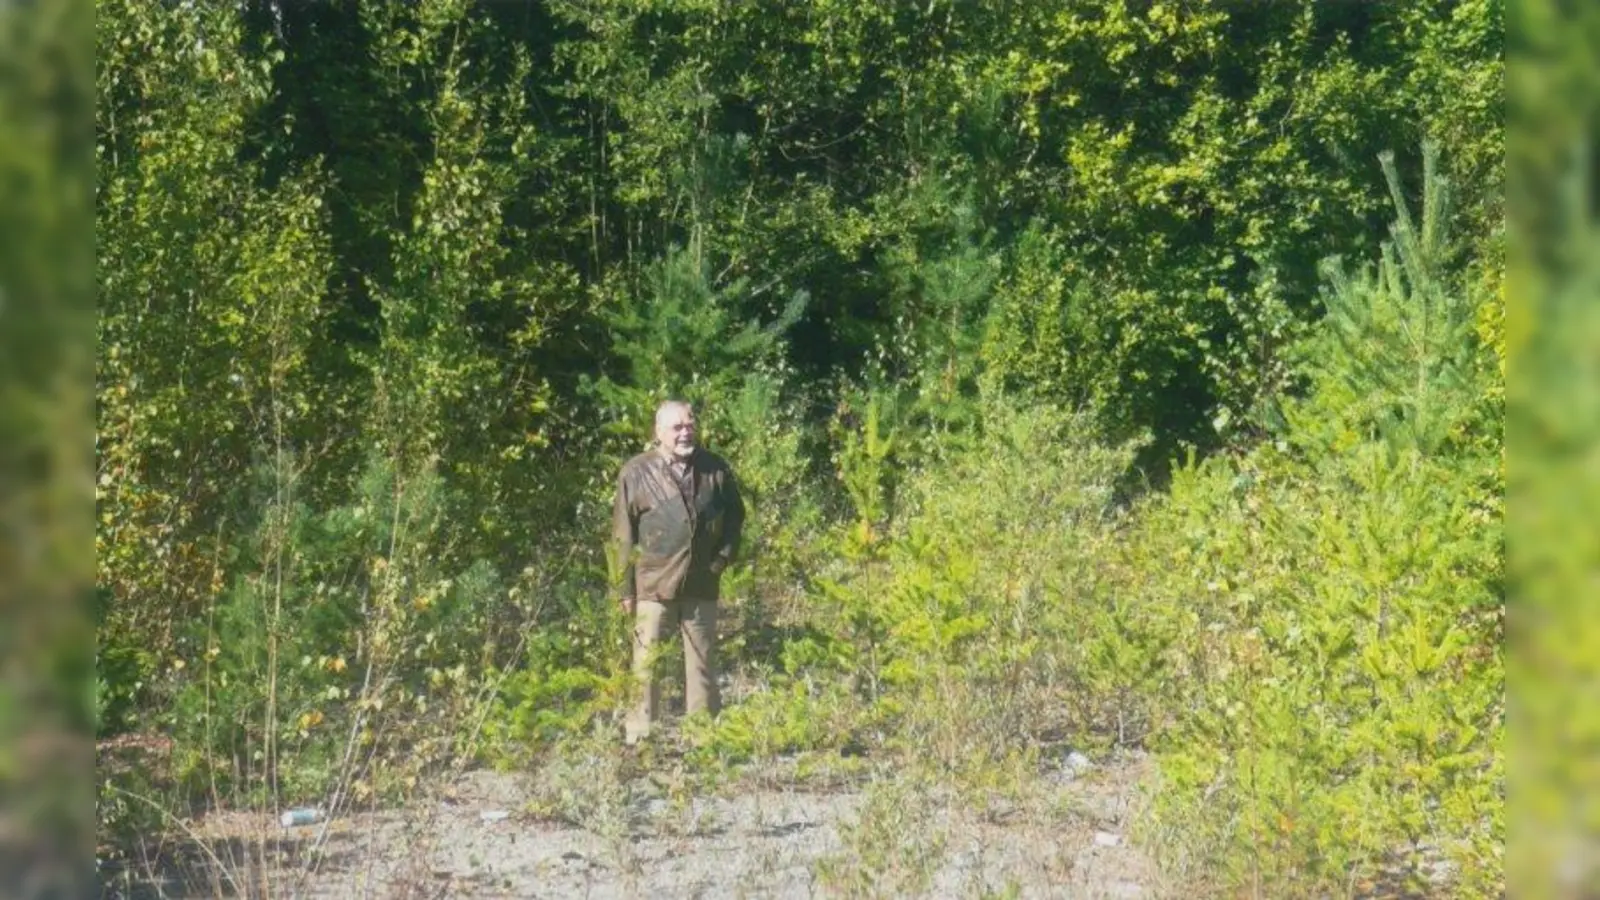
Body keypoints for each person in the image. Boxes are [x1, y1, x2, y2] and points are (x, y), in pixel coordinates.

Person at [611, 400, 744, 743]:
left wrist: (721, 561)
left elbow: (735, 519)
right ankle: (640, 738)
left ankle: (705, 739)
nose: (687, 432)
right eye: (678, 427)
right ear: (659, 433)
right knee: (646, 665)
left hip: (702, 582)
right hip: (652, 584)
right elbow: (622, 535)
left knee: (702, 665)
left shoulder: (715, 469)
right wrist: (624, 589)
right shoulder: (635, 472)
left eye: (690, 425)